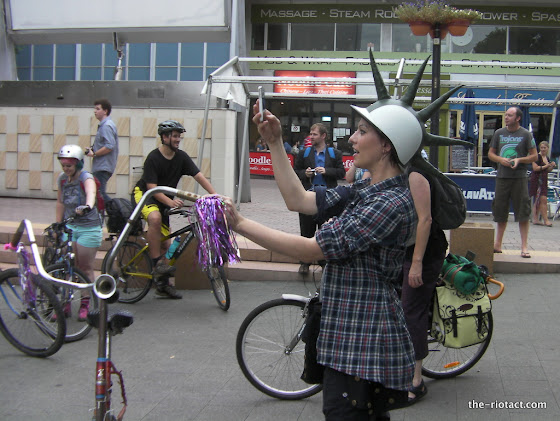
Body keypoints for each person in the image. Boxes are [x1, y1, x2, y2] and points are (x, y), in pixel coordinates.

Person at [133, 120, 216, 299]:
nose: (178, 139)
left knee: (166, 244)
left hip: (164, 200)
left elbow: (199, 176)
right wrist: (170, 203)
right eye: (175, 136)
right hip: (146, 195)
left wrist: (215, 196)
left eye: (179, 136)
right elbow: (151, 187)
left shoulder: (181, 157)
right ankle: (157, 264)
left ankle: (162, 286)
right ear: (165, 137)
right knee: (154, 219)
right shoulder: (153, 158)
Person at [400, 164, 448, 405]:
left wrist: (417, 262)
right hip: (402, 248)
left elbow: (425, 219)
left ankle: (415, 381)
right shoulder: (391, 170)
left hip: (424, 251)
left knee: (412, 310)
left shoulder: (415, 173)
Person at [56, 144, 103, 321]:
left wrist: (88, 206)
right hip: (69, 227)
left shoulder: (86, 177)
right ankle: (65, 302)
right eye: (64, 165)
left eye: (69, 165)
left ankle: (85, 303)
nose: (66, 169)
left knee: (84, 267)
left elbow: (91, 192)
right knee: (68, 266)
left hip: (88, 228)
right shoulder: (62, 179)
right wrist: (58, 224)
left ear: (78, 164)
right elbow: (60, 202)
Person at [293, 123, 345, 274]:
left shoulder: (334, 153)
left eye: (314, 134)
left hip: (328, 198)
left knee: (326, 232)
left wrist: (326, 171)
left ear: (323, 136)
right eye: (311, 133)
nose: (311, 136)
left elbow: (341, 173)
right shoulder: (304, 153)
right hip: (308, 196)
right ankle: (305, 263)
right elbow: (296, 172)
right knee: (306, 231)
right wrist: (306, 174)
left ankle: (324, 263)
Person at [488, 106, 538, 258]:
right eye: (506, 115)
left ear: (518, 118)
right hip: (502, 177)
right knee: (500, 210)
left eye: (510, 115)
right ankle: (497, 244)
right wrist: (500, 160)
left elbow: (534, 156)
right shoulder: (499, 133)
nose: (506, 117)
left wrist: (519, 159)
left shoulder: (525, 134)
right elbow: (491, 153)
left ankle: (524, 246)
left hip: (520, 178)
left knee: (523, 211)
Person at [86, 98, 118, 204]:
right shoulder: (105, 125)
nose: (95, 111)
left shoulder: (106, 126)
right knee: (98, 193)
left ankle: (118, 211)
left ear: (105, 111)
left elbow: (109, 146)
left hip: (102, 166)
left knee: (99, 194)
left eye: (98, 109)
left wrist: (94, 154)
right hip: (102, 166)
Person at [529, 141, 556, 227]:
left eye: (545, 147)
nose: (543, 149)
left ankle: (536, 218)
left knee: (540, 200)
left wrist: (551, 166)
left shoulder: (547, 157)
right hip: (537, 180)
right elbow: (535, 168)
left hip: (543, 180)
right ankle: (545, 220)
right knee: (541, 199)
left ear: (548, 148)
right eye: (542, 147)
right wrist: (546, 166)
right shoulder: (537, 157)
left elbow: (547, 170)